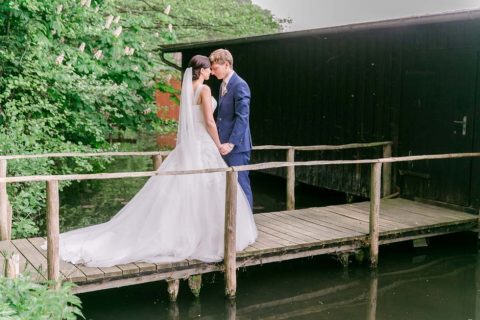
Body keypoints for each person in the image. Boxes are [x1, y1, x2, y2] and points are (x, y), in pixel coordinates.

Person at [44, 55, 257, 267]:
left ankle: (186, 233)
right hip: (203, 144)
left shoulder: (187, 90)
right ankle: (203, 235)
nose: (211, 71)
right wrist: (219, 143)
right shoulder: (204, 89)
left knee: (184, 190)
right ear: (201, 71)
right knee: (205, 189)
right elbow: (209, 121)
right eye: (208, 69)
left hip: (189, 146)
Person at [209, 49, 254, 209]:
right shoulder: (223, 84)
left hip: (237, 147)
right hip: (223, 145)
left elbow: (243, 117)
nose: (213, 73)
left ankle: (248, 226)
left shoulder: (240, 85)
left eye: (215, 69)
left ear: (226, 64)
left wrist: (231, 143)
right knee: (227, 186)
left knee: (241, 185)